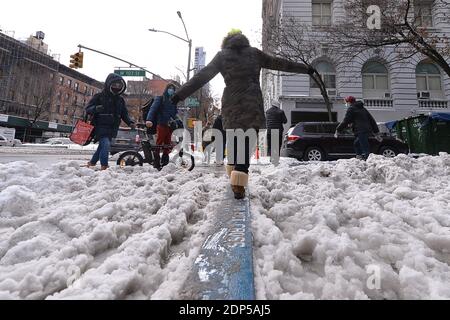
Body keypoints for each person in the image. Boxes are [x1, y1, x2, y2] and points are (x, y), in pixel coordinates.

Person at [171, 29, 314, 199]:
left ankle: (234, 172)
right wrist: (307, 69)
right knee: (246, 143)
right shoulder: (254, 54)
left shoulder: (222, 56)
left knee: (234, 139)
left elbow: (202, 76)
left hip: (231, 105)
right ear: (243, 40)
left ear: (227, 41)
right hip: (252, 104)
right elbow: (280, 63)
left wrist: (178, 95)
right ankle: (239, 181)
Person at [85, 73, 135, 170]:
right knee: (106, 145)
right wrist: (96, 108)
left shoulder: (120, 100)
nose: (117, 87)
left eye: (119, 85)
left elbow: (124, 114)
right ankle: (104, 166)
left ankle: (92, 162)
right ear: (109, 84)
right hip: (100, 126)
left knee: (102, 146)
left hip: (113, 127)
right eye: (114, 84)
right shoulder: (99, 96)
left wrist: (130, 122)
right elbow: (88, 109)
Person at [335, 96, 381, 160]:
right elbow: (371, 120)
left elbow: (346, 120)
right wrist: (376, 132)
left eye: (346, 102)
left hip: (361, 130)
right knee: (356, 144)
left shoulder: (351, 109)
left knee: (364, 146)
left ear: (349, 102)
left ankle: (368, 160)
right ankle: (359, 157)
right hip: (367, 129)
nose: (346, 104)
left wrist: (338, 129)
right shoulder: (362, 108)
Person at [146, 83, 179, 170]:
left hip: (170, 126)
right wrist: (149, 119)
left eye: (173, 89)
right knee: (159, 143)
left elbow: (175, 114)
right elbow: (153, 109)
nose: (171, 90)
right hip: (161, 124)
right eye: (170, 88)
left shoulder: (173, 101)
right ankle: (156, 162)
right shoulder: (160, 98)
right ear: (166, 89)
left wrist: (179, 122)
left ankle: (165, 162)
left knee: (167, 144)